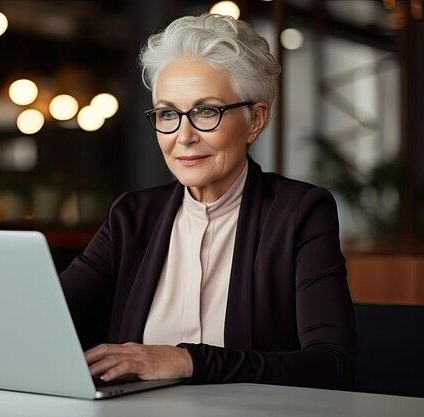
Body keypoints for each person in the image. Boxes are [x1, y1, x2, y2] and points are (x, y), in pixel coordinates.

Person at [59, 13, 357, 390]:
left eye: (206, 111)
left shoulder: (300, 212)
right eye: (167, 113)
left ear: (255, 120)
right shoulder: (133, 217)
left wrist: (186, 360)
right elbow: (47, 317)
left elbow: (332, 366)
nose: (183, 136)